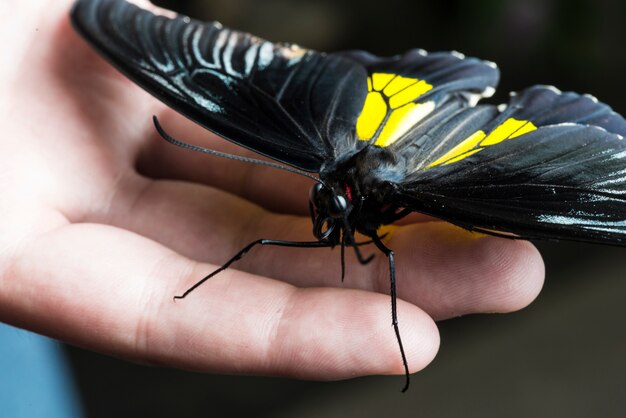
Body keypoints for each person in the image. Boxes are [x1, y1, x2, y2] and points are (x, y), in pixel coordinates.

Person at [0, 0, 544, 410]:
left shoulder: (346, 175)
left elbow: (385, 253)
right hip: (389, 113)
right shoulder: (330, 167)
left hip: (411, 131)